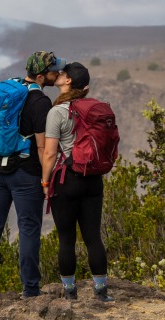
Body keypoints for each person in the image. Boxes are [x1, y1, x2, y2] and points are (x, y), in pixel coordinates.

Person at [0, 51, 66, 301]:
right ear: (40, 76)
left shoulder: (9, 88)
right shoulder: (39, 102)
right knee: (28, 228)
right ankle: (31, 290)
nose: (56, 73)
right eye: (52, 70)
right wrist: (45, 178)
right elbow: (41, 146)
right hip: (25, 174)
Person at [41, 62, 114, 302]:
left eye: (62, 74)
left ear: (69, 81)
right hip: (93, 180)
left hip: (67, 180)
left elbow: (50, 153)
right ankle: (101, 292)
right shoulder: (94, 109)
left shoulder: (58, 112)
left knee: (66, 238)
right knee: (93, 236)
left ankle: (70, 293)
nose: (59, 76)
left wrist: (44, 182)